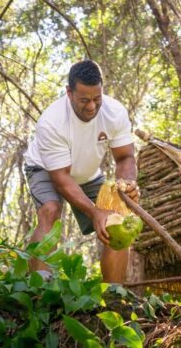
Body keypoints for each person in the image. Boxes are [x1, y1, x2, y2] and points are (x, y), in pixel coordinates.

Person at [23, 60, 140, 283]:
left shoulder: (115, 113)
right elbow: (61, 179)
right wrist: (94, 212)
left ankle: (112, 295)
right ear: (69, 93)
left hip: (88, 173)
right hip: (46, 169)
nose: (91, 107)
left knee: (118, 218)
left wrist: (126, 185)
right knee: (50, 210)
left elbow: (125, 157)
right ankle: (38, 288)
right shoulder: (51, 122)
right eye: (84, 100)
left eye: (97, 99)